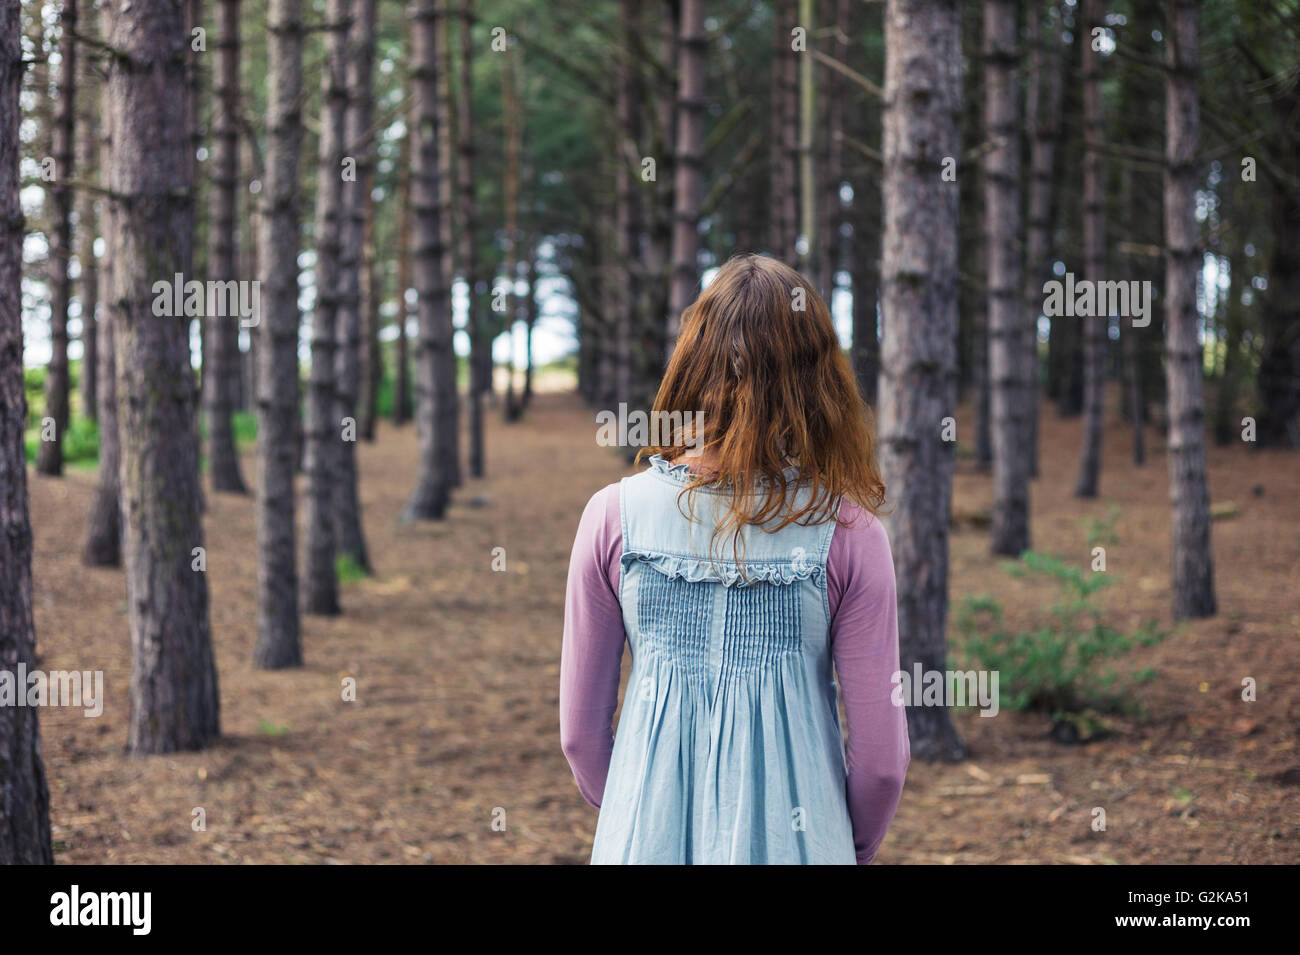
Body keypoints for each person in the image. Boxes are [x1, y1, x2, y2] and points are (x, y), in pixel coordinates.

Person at [560, 253, 909, 864]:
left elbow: (579, 738)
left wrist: (637, 813)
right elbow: (881, 764)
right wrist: (840, 843)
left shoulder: (613, 516)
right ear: (820, 379)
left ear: (693, 363)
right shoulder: (850, 532)